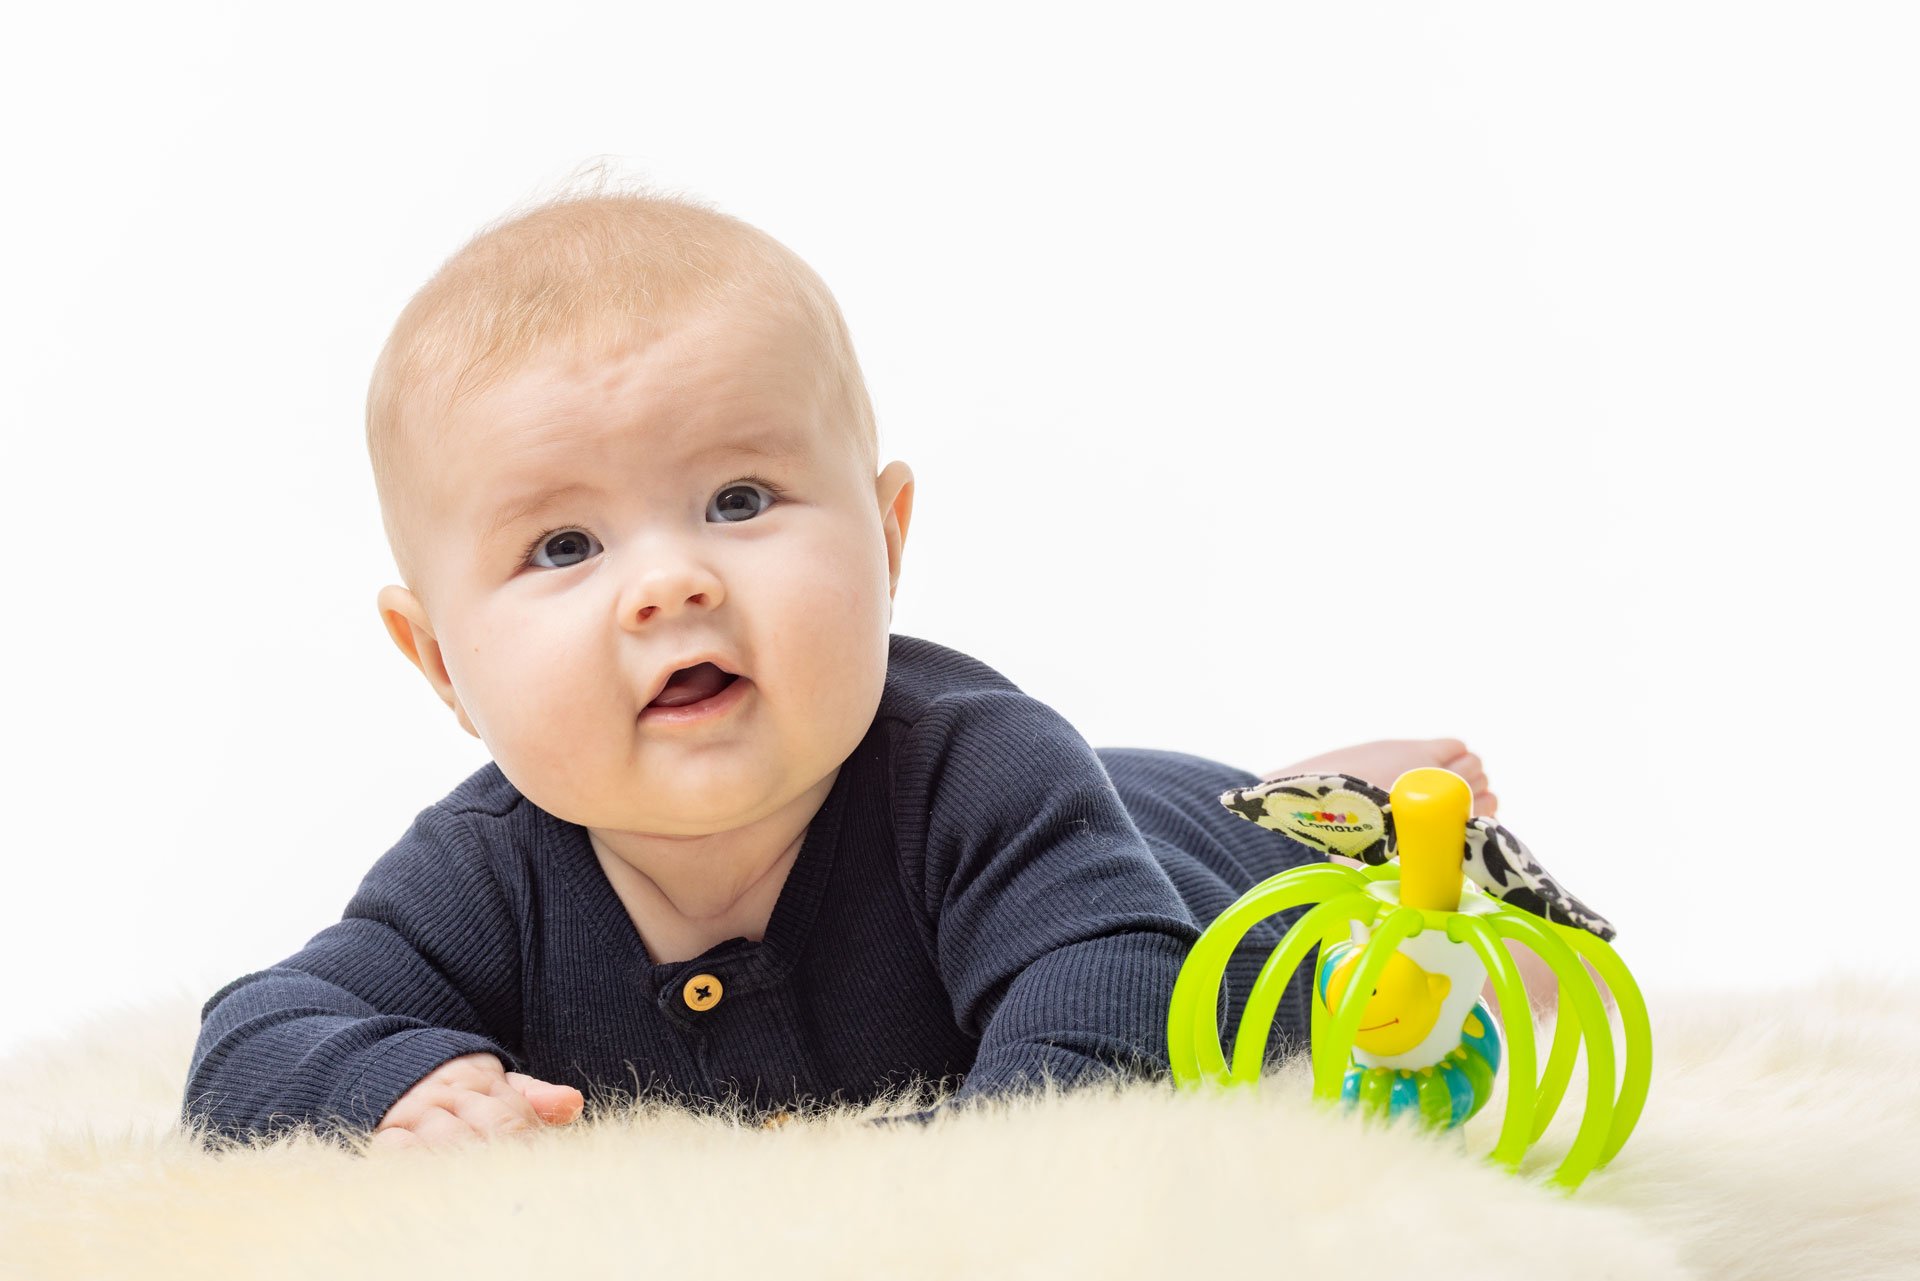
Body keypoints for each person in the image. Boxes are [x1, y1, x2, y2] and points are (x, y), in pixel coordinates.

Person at [180, 185, 1498, 1152]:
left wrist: (930, 1188)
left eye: (740, 499)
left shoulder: (982, 776)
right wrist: (393, 1078)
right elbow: (255, 1032)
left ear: (887, 537)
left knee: (1397, 940)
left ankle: (1337, 805)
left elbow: (1114, 1013)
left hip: (1179, 875)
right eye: (564, 544)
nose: (670, 582)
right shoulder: (486, 872)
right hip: (1107, 818)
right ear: (441, 662)